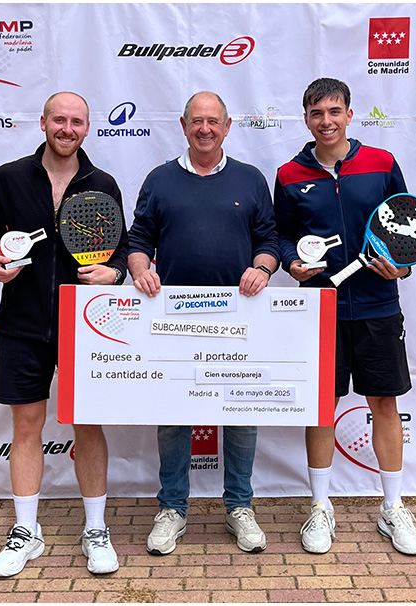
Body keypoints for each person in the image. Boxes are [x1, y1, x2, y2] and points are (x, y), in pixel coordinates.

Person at [0, 92, 128, 576]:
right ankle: (26, 531)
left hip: (87, 326)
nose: (67, 129)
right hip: (23, 323)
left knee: (88, 425)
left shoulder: (102, 184)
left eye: (76, 121)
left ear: (87, 128)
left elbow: (123, 248)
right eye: (59, 119)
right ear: (42, 123)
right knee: (25, 426)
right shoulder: (10, 177)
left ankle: (95, 528)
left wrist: (115, 274)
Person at [273, 78, 416, 556]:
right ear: (306, 119)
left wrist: (402, 267)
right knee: (322, 407)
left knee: (384, 403)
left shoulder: (382, 163)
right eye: (317, 113)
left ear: (349, 115)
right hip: (320, 309)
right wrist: (291, 263)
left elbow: (407, 227)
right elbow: (281, 235)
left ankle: (393, 506)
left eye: (334, 111)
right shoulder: (288, 174)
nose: (326, 121)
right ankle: (320, 507)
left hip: (379, 307)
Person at [128, 91, 279, 556]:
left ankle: (240, 507)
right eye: (197, 121)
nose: (205, 129)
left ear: (228, 127)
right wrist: (139, 269)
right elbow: (139, 238)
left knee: (241, 416)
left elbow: (269, 239)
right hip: (173, 321)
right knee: (174, 417)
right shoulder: (159, 179)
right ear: (183, 125)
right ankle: (172, 509)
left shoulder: (250, 179)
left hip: (238, 319)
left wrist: (263, 268)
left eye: (214, 121)